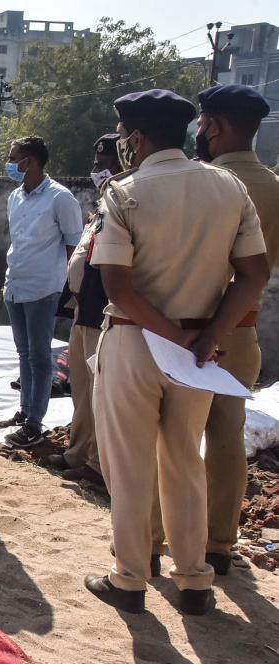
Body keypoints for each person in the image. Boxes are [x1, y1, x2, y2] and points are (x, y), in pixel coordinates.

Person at [83, 89, 270, 616]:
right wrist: (208, 335)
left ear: (137, 137)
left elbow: (118, 287)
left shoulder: (125, 193)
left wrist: (170, 333)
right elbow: (253, 274)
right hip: (199, 352)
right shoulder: (229, 187)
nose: (123, 145)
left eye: (124, 137)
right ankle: (194, 581)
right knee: (185, 458)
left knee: (130, 463)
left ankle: (130, 576)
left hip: (136, 341)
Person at [185, 84, 279, 575]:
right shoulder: (274, 186)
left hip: (189, 333)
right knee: (227, 438)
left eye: (202, 124)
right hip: (244, 333)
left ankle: (159, 540)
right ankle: (219, 544)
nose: (199, 133)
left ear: (215, 126)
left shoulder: (204, 182)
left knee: (175, 441)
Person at [0, 136, 84, 448]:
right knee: (23, 353)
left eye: (13, 157)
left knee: (40, 356)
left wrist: (75, 287)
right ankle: (24, 409)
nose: (9, 164)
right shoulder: (15, 197)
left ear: (28, 161)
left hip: (44, 287)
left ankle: (35, 422)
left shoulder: (60, 198)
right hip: (16, 284)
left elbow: (75, 246)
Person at [48, 134, 121, 485]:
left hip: (104, 312)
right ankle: (78, 452)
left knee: (99, 393)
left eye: (103, 164)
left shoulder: (126, 201)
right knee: (81, 387)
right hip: (84, 308)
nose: (96, 170)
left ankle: (96, 464)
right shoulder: (103, 202)